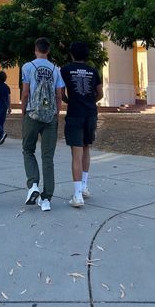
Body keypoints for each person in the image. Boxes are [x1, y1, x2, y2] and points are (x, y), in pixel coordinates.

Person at [21, 37, 64, 212]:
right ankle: (46, 199)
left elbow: (25, 93)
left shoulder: (27, 67)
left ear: (35, 49)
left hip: (33, 113)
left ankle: (33, 185)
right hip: (50, 116)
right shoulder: (56, 69)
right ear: (48, 50)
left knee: (28, 149)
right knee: (48, 158)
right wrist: (56, 113)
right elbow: (60, 95)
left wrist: (24, 113)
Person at [61, 42, 103, 208]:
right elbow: (100, 93)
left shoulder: (65, 70)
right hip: (91, 113)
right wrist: (90, 102)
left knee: (76, 153)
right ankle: (84, 186)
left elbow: (60, 92)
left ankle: (77, 194)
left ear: (71, 54)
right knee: (86, 148)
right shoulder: (94, 71)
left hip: (75, 114)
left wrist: (69, 101)